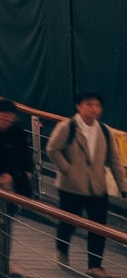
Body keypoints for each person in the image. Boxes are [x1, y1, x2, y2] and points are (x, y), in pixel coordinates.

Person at [48, 91, 126, 276]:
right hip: (71, 186)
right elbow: (52, 149)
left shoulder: (105, 131)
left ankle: (94, 265)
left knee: (99, 227)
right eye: (89, 104)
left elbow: (114, 160)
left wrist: (123, 186)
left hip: (97, 187)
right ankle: (62, 250)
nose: (93, 109)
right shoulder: (67, 127)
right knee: (68, 223)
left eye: (97, 105)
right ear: (79, 106)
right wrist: (68, 169)